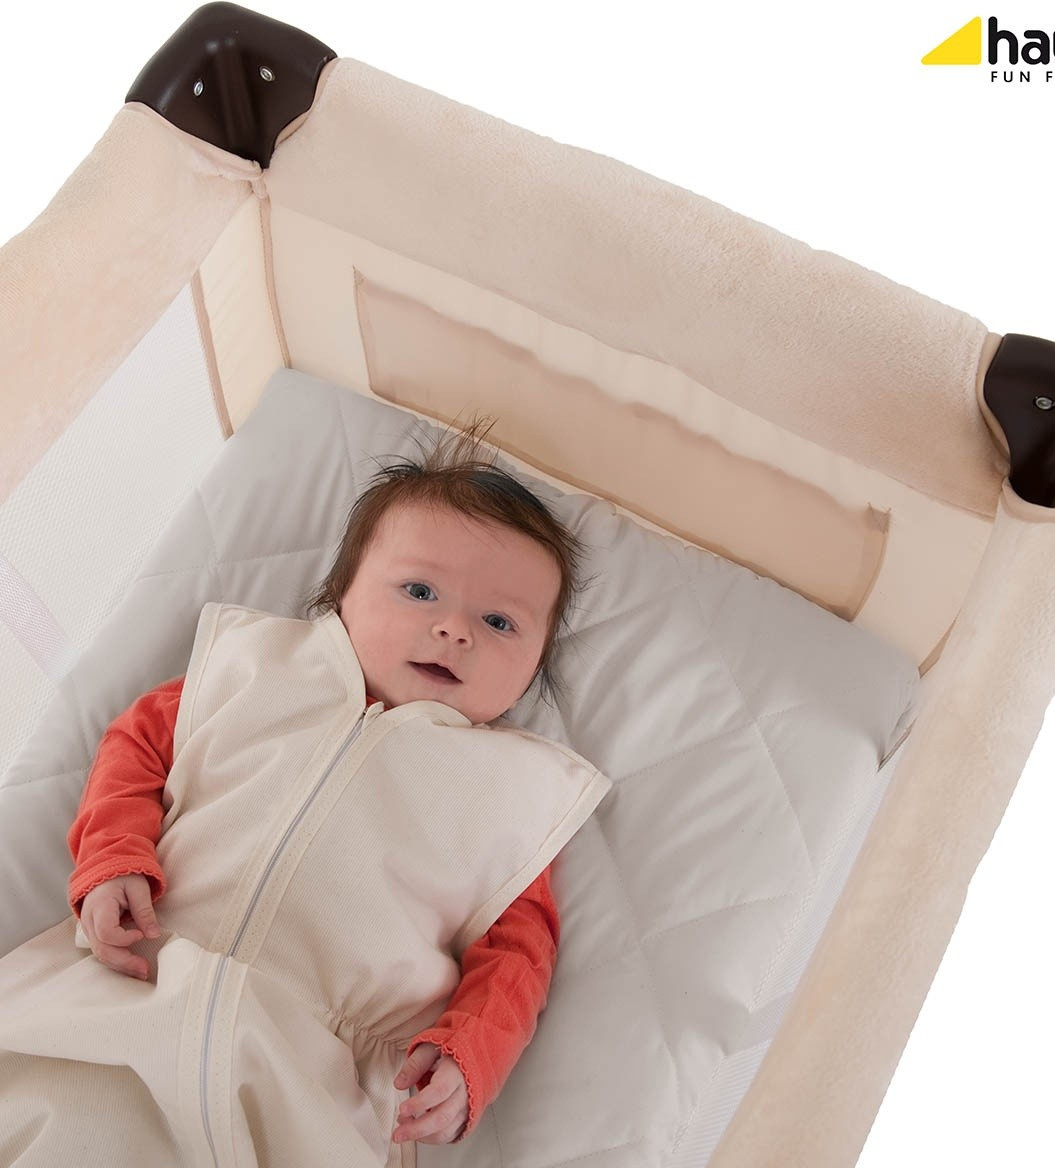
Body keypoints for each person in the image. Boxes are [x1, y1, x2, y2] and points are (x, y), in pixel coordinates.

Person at [0, 415, 610, 1165]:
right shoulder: (256, 668)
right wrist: (113, 856)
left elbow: (518, 953)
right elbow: (139, 744)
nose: (455, 629)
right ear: (342, 592)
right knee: (54, 1114)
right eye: (420, 590)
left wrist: (470, 1055)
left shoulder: (511, 794)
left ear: (536, 665)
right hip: (135, 979)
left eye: (499, 621)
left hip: (310, 1067)